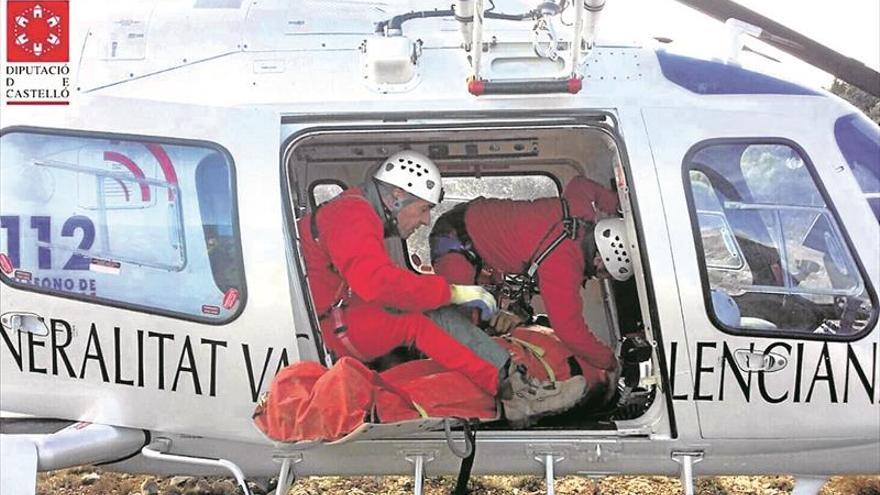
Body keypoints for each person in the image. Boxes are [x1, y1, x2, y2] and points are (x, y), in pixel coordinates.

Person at [298, 150, 554, 404]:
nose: (425, 220)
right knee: (424, 320)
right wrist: (453, 292)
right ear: (397, 195)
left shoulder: (353, 209)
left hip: (336, 318)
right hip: (329, 333)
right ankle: (511, 389)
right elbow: (378, 284)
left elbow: (379, 281)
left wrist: (444, 294)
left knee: (424, 306)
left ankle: (510, 379)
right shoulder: (353, 215)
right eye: (423, 209)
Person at [429, 176, 631, 379]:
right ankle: (437, 381)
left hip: (472, 222)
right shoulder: (564, 265)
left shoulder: (581, 212)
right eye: (604, 272)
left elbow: (580, 184)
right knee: (462, 330)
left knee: (487, 321)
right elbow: (570, 331)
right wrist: (611, 362)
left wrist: (617, 206)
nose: (600, 277)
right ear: (598, 258)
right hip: (454, 241)